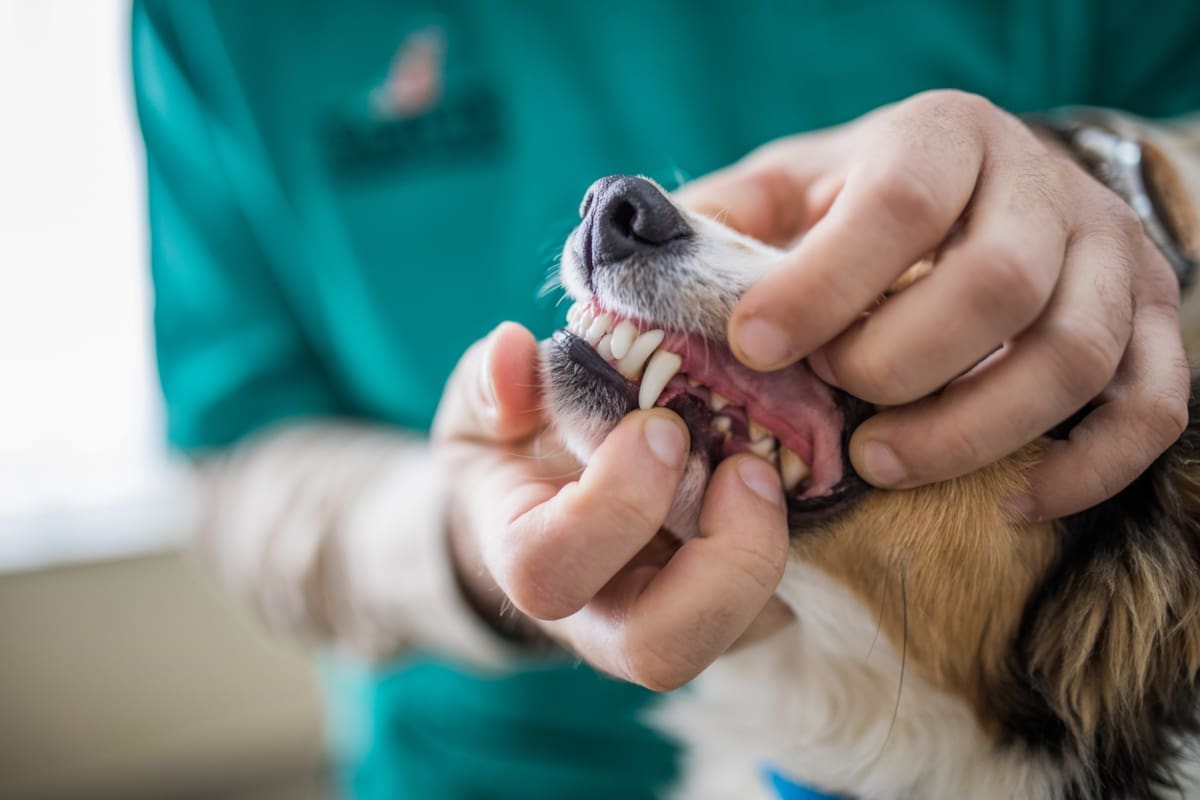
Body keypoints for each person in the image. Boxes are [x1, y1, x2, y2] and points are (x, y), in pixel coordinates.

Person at [131, 2, 1200, 798]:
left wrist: (1118, 178)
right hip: (490, 768)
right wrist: (465, 546)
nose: (622, 207)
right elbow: (236, 455)